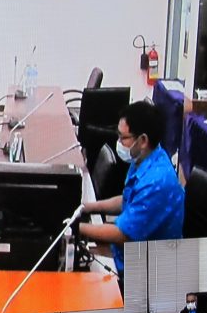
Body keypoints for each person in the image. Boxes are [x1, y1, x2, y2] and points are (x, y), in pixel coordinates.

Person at [79, 100, 184, 276]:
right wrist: (86, 207)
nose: (118, 142)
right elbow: (128, 198)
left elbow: (123, 234)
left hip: (149, 269)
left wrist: (75, 227)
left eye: (123, 138)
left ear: (142, 140)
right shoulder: (147, 157)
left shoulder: (156, 182)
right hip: (129, 250)